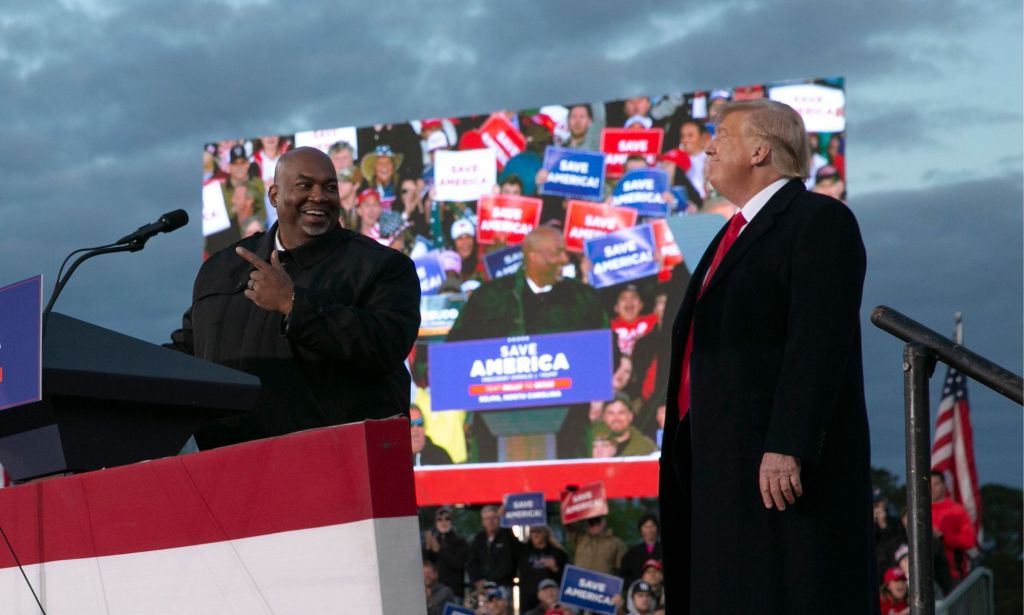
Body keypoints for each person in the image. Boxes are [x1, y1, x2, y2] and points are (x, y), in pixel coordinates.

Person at [659, 99, 876, 613]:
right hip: (716, 466)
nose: (708, 146)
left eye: (722, 134)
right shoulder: (725, 237)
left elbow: (817, 342)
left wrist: (788, 443)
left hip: (775, 473)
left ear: (760, 150)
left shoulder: (818, 220)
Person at [168, 147, 420, 449]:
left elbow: (385, 345)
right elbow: (189, 353)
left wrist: (293, 304)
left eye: (330, 187)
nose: (319, 196)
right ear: (274, 195)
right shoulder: (221, 269)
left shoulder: (380, 266)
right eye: (305, 185)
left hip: (333, 469)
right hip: (229, 471)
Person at [446, 227, 608, 461]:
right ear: (533, 255)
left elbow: (605, 352)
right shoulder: (490, 297)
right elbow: (455, 351)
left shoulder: (583, 298)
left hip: (568, 431)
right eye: (557, 252)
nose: (565, 259)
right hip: (497, 429)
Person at [930, 471, 977, 582]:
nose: (932, 488)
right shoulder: (919, 512)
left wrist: (943, 536)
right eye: (929, 484)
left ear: (944, 485)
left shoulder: (957, 511)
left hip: (952, 573)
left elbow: (969, 541)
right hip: (925, 573)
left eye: (936, 484)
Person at [467, 505, 520, 600]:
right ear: (482, 522)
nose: (490, 522)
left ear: (499, 520)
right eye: (487, 519)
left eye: (494, 518)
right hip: (481, 588)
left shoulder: (507, 536)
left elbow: (508, 563)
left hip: (502, 586)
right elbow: (471, 562)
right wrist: (477, 580)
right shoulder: (478, 538)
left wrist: (490, 581)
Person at [517, 525, 568, 612]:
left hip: (551, 602)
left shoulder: (558, 553)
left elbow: (567, 579)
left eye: (538, 531)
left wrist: (555, 568)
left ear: (545, 532)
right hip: (529, 603)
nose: (535, 534)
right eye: (532, 531)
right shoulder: (522, 550)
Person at [423, 506, 469, 600]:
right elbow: (425, 563)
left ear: (452, 521)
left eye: (447, 519)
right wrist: (427, 547)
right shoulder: (433, 540)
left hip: (454, 591)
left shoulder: (460, 541)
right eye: (439, 519)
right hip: (434, 592)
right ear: (436, 523)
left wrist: (439, 550)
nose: (443, 522)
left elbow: (458, 564)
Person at [591, 394, 658, 457]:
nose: (616, 418)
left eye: (621, 413)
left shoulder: (646, 447)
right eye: (610, 413)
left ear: (630, 416)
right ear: (604, 417)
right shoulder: (589, 444)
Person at [620, 513, 663, 592]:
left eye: (653, 526)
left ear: (657, 528)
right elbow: (623, 577)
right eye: (646, 527)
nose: (650, 530)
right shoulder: (632, 553)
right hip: (638, 594)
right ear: (641, 529)